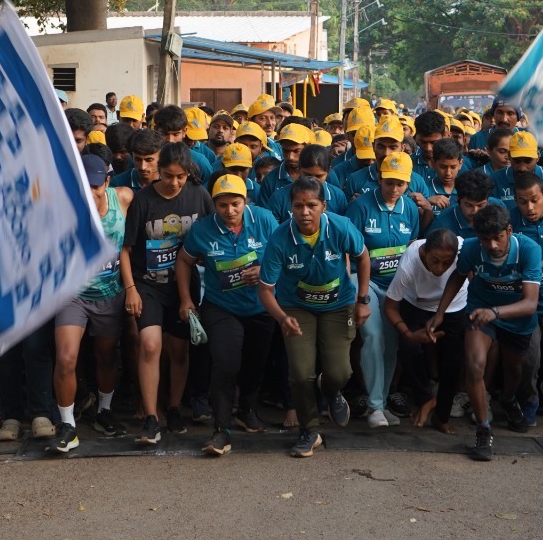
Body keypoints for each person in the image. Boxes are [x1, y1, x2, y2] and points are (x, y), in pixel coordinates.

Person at [258, 176, 371, 457]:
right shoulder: (280, 238)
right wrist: (282, 318)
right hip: (296, 308)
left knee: (339, 371)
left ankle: (331, 391)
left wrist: (362, 300)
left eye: (311, 205)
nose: (305, 212)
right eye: (298, 206)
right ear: (290, 208)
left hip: (338, 305)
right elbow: (265, 290)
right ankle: (309, 430)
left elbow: (363, 256)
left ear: (323, 205)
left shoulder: (341, 227)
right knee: (299, 373)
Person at [178, 174, 280, 454]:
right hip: (221, 307)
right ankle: (220, 430)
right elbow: (184, 261)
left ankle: (246, 409)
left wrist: (264, 272)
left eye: (235, 204)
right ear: (215, 204)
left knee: (255, 364)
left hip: (261, 306)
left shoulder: (264, 220)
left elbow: (283, 254)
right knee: (225, 362)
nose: (229, 211)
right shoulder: (202, 229)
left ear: (245, 201)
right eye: (222, 205)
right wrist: (186, 299)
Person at [435, 202, 542, 461]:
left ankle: (507, 399)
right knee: (474, 366)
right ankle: (484, 429)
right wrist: (440, 312)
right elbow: (458, 277)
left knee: (515, 369)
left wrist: (495, 312)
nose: (492, 245)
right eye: (485, 239)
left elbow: (530, 303)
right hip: (481, 312)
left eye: (498, 238)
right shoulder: (472, 248)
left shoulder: (529, 250)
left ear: (509, 230)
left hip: (516, 319)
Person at [121, 141, 212, 443]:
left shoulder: (199, 196)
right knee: (149, 345)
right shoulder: (143, 200)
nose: (174, 183)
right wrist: (131, 289)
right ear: (158, 171)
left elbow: (214, 234)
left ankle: (173, 407)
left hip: (184, 287)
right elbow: (125, 249)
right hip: (147, 284)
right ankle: (151, 416)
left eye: (180, 177)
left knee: (179, 349)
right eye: (168, 176)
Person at [46, 154, 130, 455]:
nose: (88, 192)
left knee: (106, 356)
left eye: (94, 186)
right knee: (67, 358)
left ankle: (104, 410)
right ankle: (67, 426)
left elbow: (131, 244)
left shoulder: (123, 198)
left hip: (110, 292)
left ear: (106, 182)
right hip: (73, 294)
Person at [346, 151, 420, 427]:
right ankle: (375, 405)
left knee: (391, 344)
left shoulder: (410, 209)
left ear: (409, 183)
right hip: (364, 283)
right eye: (389, 182)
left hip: (396, 287)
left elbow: (412, 249)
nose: (394, 189)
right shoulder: (361, 206)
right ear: (379, 178)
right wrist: (354, 291)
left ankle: (381, 399)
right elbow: (347, 252)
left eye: (400, 183)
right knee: (373, 336)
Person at [385, 229, 469, 432]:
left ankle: (442, 417)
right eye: (435, 260)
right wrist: (408, 333)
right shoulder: (410, 261)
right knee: (408, 348)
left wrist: (442, 312)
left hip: (454, 305)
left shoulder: (464, 249)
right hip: (417, 304)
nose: (440, 268)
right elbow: (389, 306)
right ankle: (425, 398)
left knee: (452, 360)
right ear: (424, 252)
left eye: (447, 263)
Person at [508, 173, 543, 428]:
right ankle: (528, 400)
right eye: (522, 202)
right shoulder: (509, 219)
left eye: (534, 200)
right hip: (524, 306)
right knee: (530, 359)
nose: (529, 208)